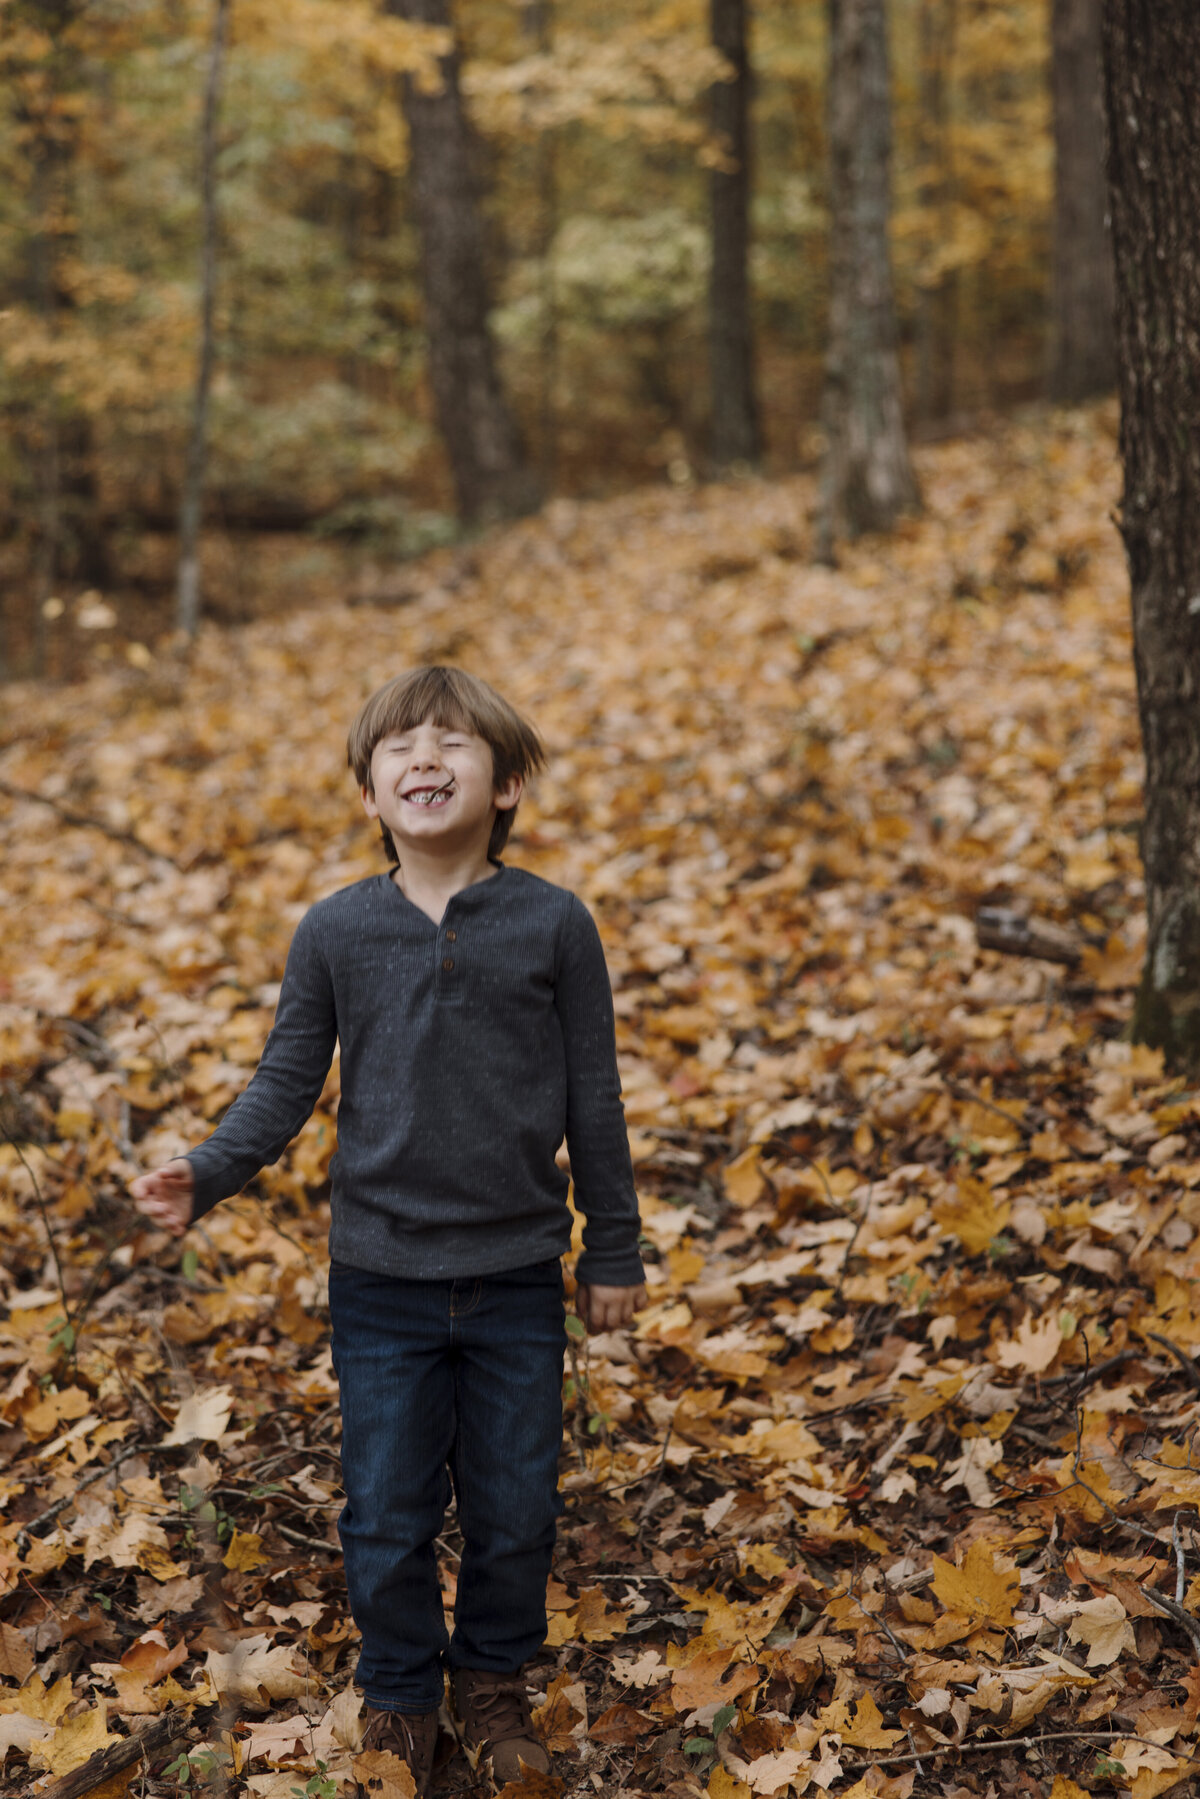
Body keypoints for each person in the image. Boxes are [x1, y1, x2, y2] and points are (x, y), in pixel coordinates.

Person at [131, 666, 647, 1796]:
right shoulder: (337, 931)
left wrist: (613, 1247)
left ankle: (495, 1684)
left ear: (506, 782)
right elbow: (284, 1080)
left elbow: (594, 1097)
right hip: (381, 1276)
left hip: (515, 1270)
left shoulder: (554, 923)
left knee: (517, 1503)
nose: (426, 759)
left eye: (454, 745)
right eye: (400, 746)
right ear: (369, 790)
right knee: (389, 1506)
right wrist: (204, 1171)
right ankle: (402, 1690)